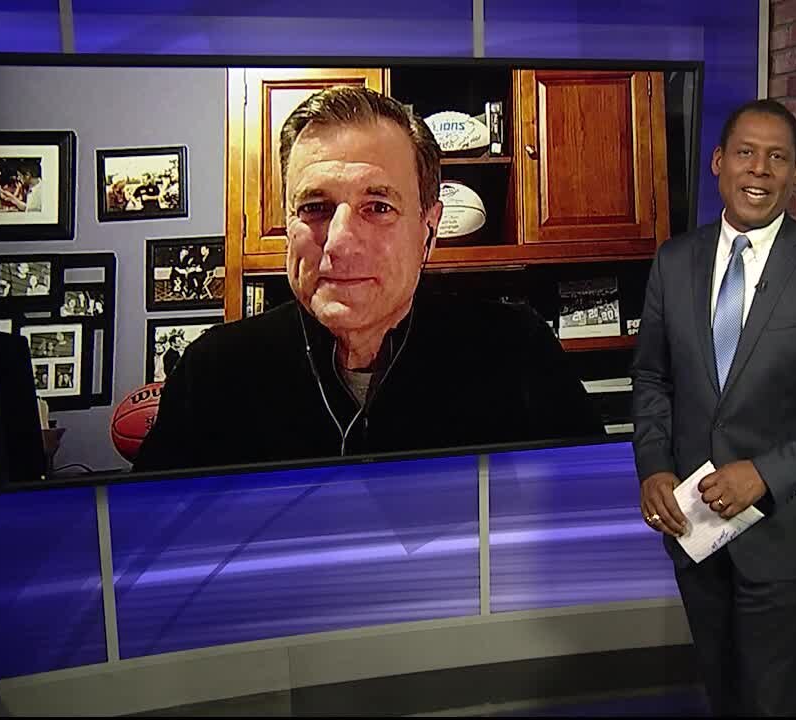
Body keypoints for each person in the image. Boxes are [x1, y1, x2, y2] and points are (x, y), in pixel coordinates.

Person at [134, 86, 602, 472]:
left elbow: (592, 517)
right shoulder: (211, 373)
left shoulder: (517, 352)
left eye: (378, 207)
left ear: (428, 231)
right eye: (313, 207)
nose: (338, 241)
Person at [631, 98, 796, 716]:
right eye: (746, 152)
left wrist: (764, 474)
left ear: (795, 172)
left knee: (770, 702)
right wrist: (654, 466)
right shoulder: (674, 261)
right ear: (719, 161)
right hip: (694, 524)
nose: (760, 170)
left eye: (777, 158)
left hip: (782, 533)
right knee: (722, 694)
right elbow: (652, 378)